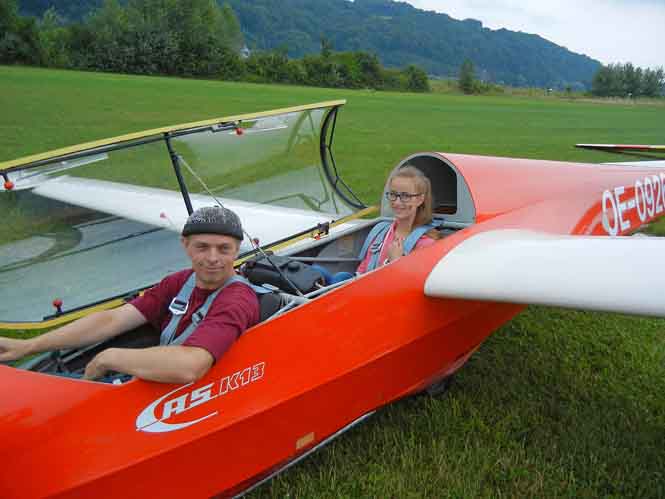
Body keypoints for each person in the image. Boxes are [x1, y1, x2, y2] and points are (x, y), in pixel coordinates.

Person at [0, 206, 259, 384]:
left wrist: (109, 357)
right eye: (202, 247)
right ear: (185, 245)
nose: (213, 258)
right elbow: (113, 320)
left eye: (224, 249)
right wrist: (29, 345)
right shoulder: (181, 282)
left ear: (237, 250)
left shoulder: (236, 300)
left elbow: (191, 366)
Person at [314, 165, 441, 284]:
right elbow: (363, 269)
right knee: (319, 272)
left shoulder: (426, 244)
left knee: (335, 278)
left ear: (420, 199)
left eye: (405, 196)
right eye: (393, 194)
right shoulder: (380, 231)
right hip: (363, 288)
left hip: (384, 296)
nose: (397, 202)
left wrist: (396, 261)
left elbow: (410, 286)